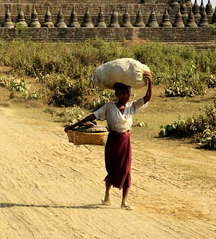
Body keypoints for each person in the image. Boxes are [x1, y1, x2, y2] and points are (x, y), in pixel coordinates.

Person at [65, 71, 153, 210]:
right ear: (116, 94)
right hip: (113, 141)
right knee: (112, 170)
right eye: (122, 93)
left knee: (126, 170)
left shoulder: (132, 106)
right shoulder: (109, 107)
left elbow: (147, 97)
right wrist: (75, 125)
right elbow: (93, 116)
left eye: (127, 93)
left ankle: (124, 202)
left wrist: (150, 82)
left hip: (125, 141)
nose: (125, 96)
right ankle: (107, 195)